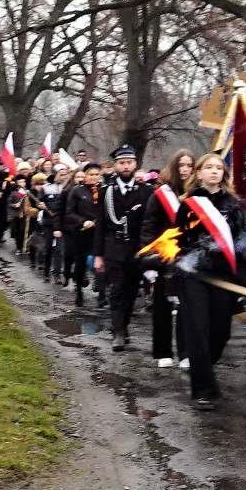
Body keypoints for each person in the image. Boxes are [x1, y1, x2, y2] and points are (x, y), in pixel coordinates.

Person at [173, 153, 246, 410]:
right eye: (209, 167)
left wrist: (244, 279)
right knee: (198, 331)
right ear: (199, 173)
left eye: (219, 168)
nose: (215, 171)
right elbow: (178, 240)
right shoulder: (189, 205)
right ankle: (202, 390)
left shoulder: (233, 204)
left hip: (223, 275)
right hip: (193, 274)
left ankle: (205, 366)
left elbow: (241, 242)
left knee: (220, 331)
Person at [93, 145, 153, 351]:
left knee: (130, 291)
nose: (126, 166)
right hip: (114, 247)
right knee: (117, 290)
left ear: (135, 164)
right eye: (122, 163)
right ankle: (118, 332)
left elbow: (149, 223)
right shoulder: (106, 192)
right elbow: (100, 224)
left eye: (129, 162)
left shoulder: (146, 191)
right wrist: (98, 254)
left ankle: (124, 326)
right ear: (115, 166)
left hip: (136, 249)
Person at [140, 149, 194, 369]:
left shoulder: (196, 194)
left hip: (189, 258)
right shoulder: (160, 195)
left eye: (190, 165)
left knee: (187, 307)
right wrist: (149, 259)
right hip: (163, 257)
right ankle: (162, 351)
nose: (185, 170)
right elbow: (148, 227)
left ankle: (185, 352)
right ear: (173, 167)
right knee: (162, 306)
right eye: (181, 165)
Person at [66, 163, 103, 308]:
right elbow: (69, 212)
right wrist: (83, 221)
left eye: (96, 175)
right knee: (80, 261)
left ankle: (102, 293)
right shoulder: (77, 190)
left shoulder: (103, 190)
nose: (94, 177)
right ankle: (79, 291)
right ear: (86, 175)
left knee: (101, 260)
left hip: (99, 231)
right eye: (91, 175)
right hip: (81, 232)